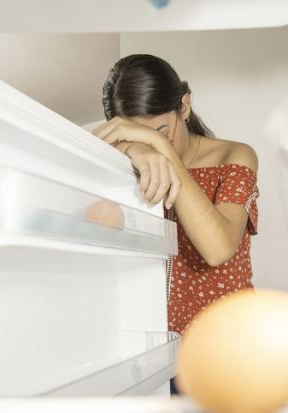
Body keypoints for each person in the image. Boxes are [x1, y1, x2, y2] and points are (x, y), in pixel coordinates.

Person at [93, 54, 259, 337]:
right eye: (138, 135)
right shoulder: (127, 160)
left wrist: (159, 146)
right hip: (152, 347)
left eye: (161, 131)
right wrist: (131, 150)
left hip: (231, 344)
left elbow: (218, 250)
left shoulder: (234, 156)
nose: (153, 144)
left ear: (184, 105)